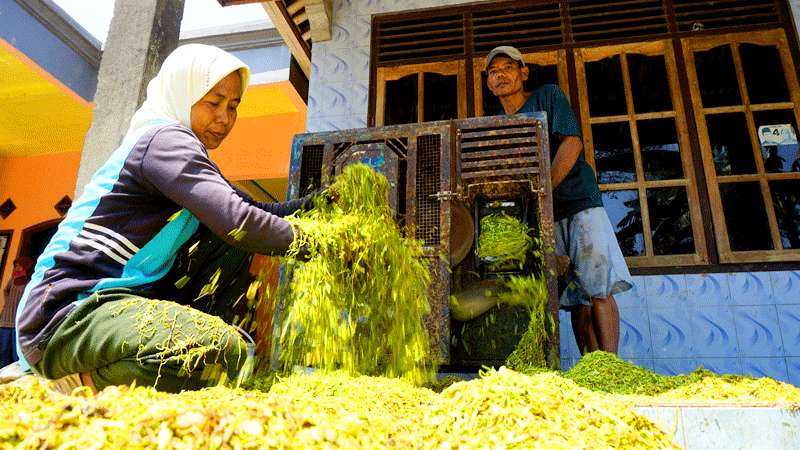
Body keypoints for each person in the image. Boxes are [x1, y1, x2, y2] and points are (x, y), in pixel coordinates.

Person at [11, 44, 318, 394]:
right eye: (213, 102)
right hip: (67, 313)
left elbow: (256, 212)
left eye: (233, 106)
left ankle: (116, 371)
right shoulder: (164, 142)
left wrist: (318, 206)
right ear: (181, 93)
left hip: (124, 305)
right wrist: (321, 245)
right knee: (218, 351)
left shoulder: (186, 157)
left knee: (230, 337)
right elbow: (239, 220)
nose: (225, 118)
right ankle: (71, 385)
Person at [484, 46, 633, 355]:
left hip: (579, 202)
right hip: (543, 213)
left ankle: (612, 365)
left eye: (507, 67)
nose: (500, 74)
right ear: (488, 82)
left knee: (598, 286)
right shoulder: (496, 122)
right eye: (493, 71)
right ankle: (591, 367)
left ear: (523, 73)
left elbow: (572, 142)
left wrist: (544, 189)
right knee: (574, 297)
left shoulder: (547, 96)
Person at [1, 256, 34, 368]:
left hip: (18, 320)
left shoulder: (30, 282)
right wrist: (8, 304)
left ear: (26, 266)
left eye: (20, 265)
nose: (17, 267)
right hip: (5, 319)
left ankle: (15, 374)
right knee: (3, 349)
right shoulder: (13, 279)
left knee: (17, 351)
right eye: (16, 265)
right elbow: (5, 290)